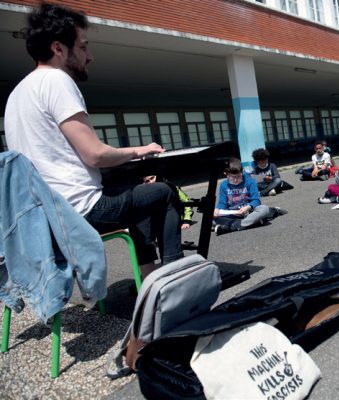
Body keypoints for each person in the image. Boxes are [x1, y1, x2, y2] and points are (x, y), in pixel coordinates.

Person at [4, 3, 183, 279]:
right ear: (58, 48)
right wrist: (141, 150)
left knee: (137, 195)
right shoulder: (56, 81)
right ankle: (174, 280)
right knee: (164, 193)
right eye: (84, 47)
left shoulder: (18, 93)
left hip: (43, 218)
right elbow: (95, 155)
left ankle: (148, 278)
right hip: (80, 211)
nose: (91, 56)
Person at [213, 158, 270, 235]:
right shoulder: (224, 185)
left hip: (249, 213)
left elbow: (256, 200)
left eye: (238, 176)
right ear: (226, 174)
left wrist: (248, 207)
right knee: (209, 218)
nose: (236, 180)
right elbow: (222, 203)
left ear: (242, 172)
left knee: (264, 209)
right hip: (232, 214)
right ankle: (252, 223)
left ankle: (230, 227)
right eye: (232, 177)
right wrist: (217, 210)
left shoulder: (250, 181)